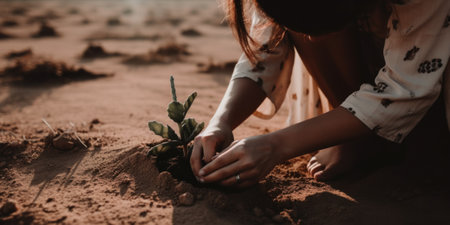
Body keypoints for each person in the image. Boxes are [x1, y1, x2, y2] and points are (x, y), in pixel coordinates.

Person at [190, 0, 450, 188]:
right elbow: (267, 48)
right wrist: (220, 122)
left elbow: (405, 89)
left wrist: (276, 145)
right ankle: (355, 133)